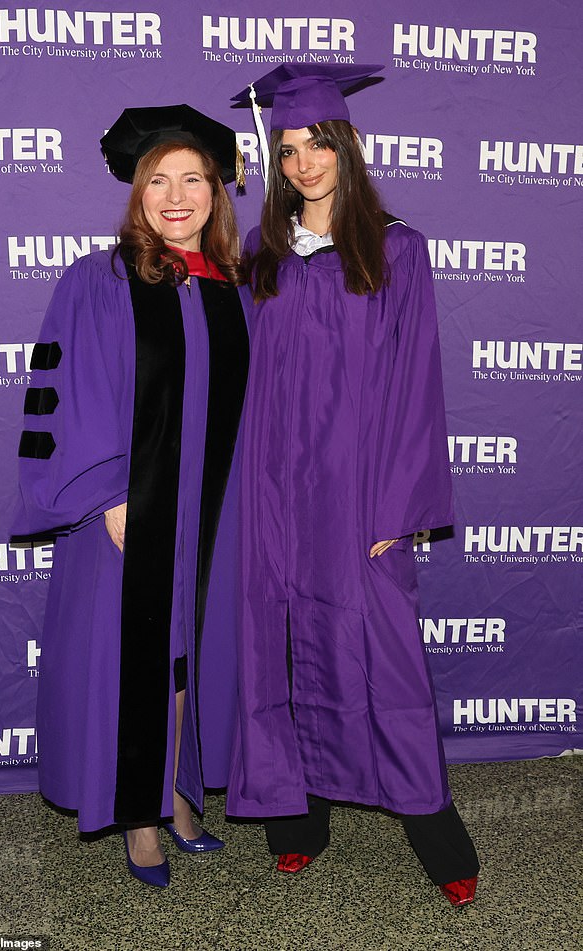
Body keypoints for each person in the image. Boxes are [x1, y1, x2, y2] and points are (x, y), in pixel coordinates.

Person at [227, 65, 480, 907]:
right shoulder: (261, 252)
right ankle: (297, 822)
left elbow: (417, 384)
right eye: (288, 149)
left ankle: (438, 837)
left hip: (357, 496)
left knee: (388, 661)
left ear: (349, 145)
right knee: (282, 651)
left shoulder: (396, 247)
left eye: (318, 146)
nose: (303, 164)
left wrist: (397, 507)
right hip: (270, 495)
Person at [12, 105, 249, 888]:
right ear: (136, 191)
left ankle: (182, 794)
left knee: (186, 659)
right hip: (125, 510)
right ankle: (140, 821)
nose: (175, 196)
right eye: (158, 180)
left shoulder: (236, 291)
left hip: (212, 516)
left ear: (217, 192)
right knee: (134, 658)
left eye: (193, 179)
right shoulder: (100, 276)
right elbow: (68, 388)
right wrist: (109, 492)